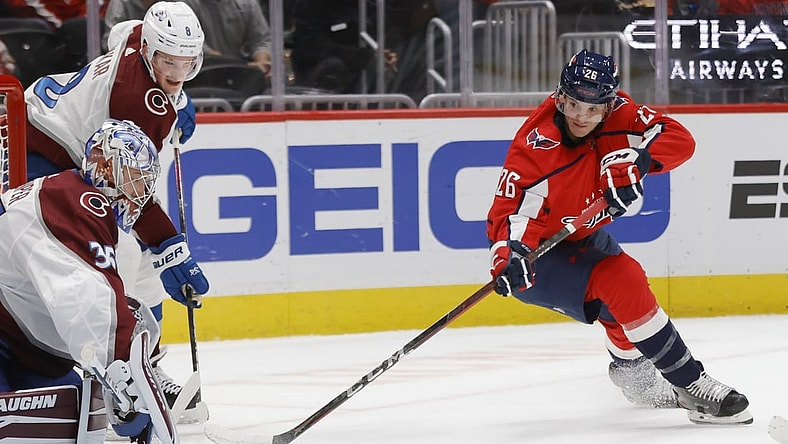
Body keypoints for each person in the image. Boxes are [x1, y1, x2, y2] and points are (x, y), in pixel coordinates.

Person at [486, 49, 753, 425]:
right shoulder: (536, 147)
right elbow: (509, 214)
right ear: (559, 95)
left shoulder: (622, 115)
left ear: (609, 105)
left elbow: (680, 139)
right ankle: (691, 385)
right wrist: (509, 256)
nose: (581, 116)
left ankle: (632, 373)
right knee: (620, 277)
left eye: (593, 109)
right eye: (573, 104)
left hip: (581, 236)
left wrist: (638, 160)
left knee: (622, 297)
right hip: (535, 257)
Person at [23, 0, 209, 424]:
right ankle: (117, 378)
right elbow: (132, 193)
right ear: (149, 51)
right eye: (167, 64)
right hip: (45, 149)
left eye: (187, 66)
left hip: (71, 135)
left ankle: (146, 366)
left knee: (139, 263)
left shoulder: (137, 35)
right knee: (115, 258)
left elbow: (119, 30)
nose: (175, 76)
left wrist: (179, 98)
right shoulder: (141, 102)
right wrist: (170, 245)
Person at [0, 119, 178, 443]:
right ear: (107, 167)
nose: (141, 193)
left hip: (16, 344)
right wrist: (122, 374)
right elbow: (83, 292)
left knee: (74, 408)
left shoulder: (68, 193)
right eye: (136, 179)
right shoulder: (79, 204)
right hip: (7, 341)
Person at [182, 0, 272, 78]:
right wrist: (232, 64)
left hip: (241, 74)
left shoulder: (247, 3)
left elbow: (262, 39)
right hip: (199, 72)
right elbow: (190, 42)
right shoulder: (185, 5)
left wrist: (261, 62)